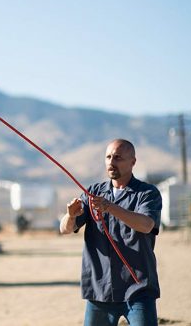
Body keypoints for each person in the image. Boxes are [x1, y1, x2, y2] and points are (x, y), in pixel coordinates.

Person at [60, 139, 162, 326]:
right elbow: (65, 229)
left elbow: (147, 225)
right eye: (108, 157)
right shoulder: (92, 193)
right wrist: (70, 216)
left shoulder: (147, 193)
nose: (111, 162)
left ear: (133, 162)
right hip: (100, 291)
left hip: (138, 290)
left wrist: (110, 207)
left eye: (118, 157)